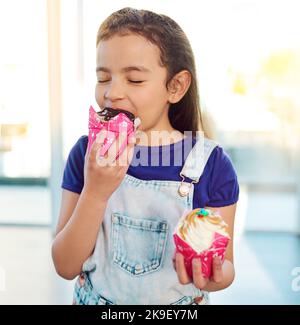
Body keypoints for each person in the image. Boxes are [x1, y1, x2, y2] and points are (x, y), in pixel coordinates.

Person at [52, 7, 239, 305]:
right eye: (103, 78)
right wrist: (95, 194)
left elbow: (226, 265)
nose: (112, 93)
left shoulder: (211, 165)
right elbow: (65, 265)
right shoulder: (85, 155)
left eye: (135, 80)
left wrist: (213, 275)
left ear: (175, 87)